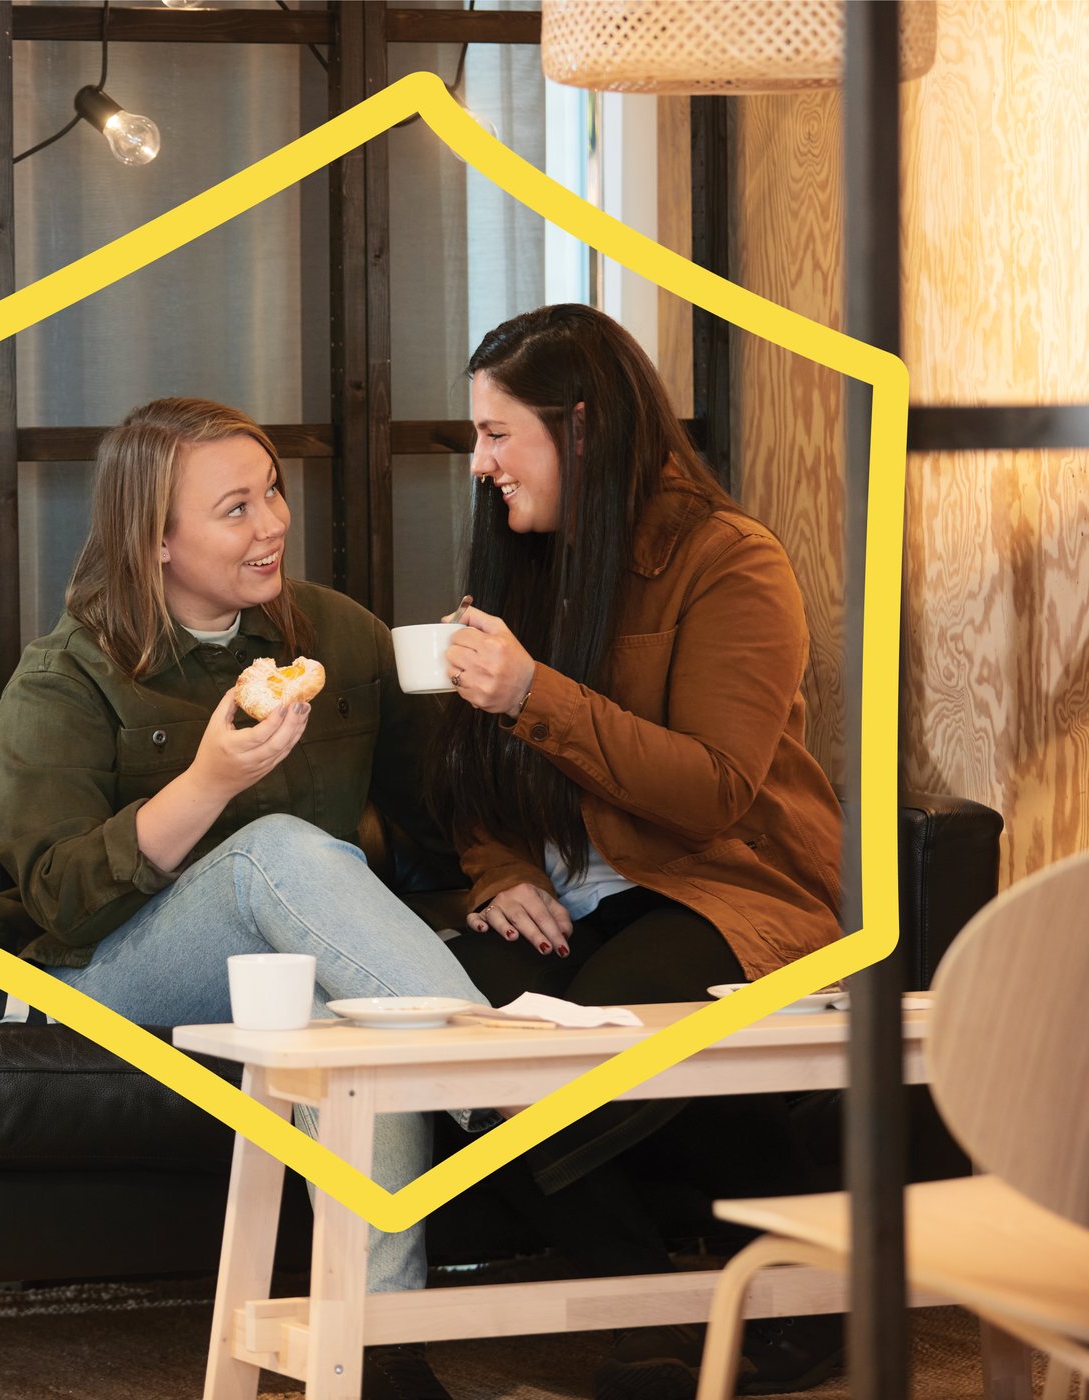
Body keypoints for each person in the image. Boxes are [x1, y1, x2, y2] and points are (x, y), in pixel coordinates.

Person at [0, 396, 487, 1400]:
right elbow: (57, 901)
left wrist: (505, 874)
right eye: (234, 508)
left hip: (278, 971)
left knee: (351, 1021)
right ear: (156, 539)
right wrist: (208, 777)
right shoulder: (65, 677)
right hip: (108, 967)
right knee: (276, 851)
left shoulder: (339, 634)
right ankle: (510, 1085)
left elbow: (433, 821)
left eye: (273, 493)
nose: (272, 525)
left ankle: (374, 1352)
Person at [428, 305, 846, 1399]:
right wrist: (500, 871)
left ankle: (791, 1284)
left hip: (720, 888)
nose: (481, 465)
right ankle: (650, 1313)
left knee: (590, 1044)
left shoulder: (728, 560)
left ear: (579, 426)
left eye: (495, 434)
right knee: (450, 1026)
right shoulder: (520, 558)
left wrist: (534, 692)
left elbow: (713, 790)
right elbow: (474, 779)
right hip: (569, 897)